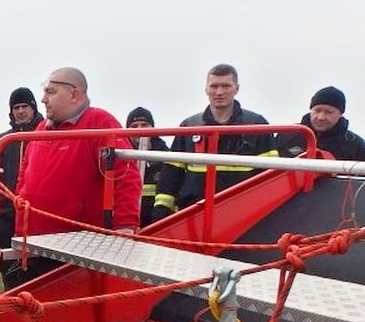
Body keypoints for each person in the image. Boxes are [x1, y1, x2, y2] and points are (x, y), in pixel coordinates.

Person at [14, 67, 140, 282]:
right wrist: (19, 216)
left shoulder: (99, 123)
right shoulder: (42, 128)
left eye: (51, 92)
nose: (43, 99)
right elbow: (25, 175)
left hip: (76, 251)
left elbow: (125, 176)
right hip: (34, 244)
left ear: (74, 94)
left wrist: (126, 226)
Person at [152, 64, 277, 222]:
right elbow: (171, 175)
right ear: (206, 89)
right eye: (214, 86)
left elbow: (271, 176)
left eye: (226, 86)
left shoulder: (257, 126)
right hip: (194, 214)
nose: (219, 92)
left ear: (237, 89)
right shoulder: (189, 127)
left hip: (244, 216)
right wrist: (161, 212)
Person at [0, 87, 44, 289]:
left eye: (24, 106)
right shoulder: (0, 142)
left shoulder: (45, 137)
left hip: (35, 217)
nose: (20, 111)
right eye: (16, 107)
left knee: (36, 269)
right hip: (5, 219)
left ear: (33, 108)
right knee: (7, 269)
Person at [276, 86, 365, 161]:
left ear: (340, 114)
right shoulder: (286, 135)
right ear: (311, 110)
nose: (321, 117)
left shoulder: (356, 145)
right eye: (317, 110)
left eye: (329, 112)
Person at [124, 107, 170, 226]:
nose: (140, 129)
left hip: (159, 221)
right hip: (127, 221)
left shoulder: (167, 156)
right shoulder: (120, 156)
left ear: (153, 128)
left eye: (144, 124)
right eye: (134, 126)